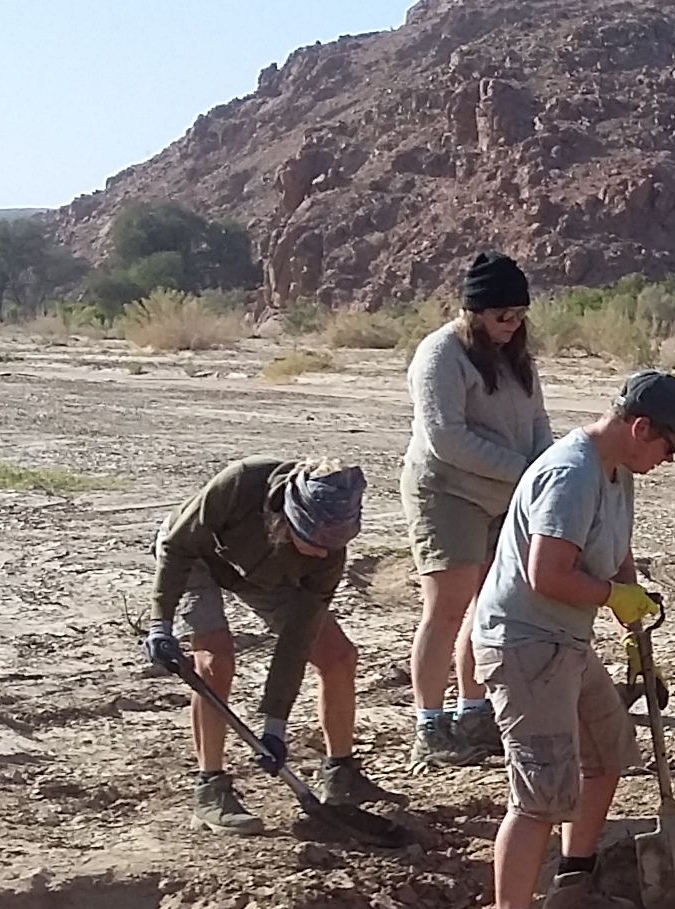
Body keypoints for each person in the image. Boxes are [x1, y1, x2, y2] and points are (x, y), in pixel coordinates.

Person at [473, 371, 675, 909]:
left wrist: (630, 603)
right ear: (640, 429)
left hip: (567, 643)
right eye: (671, 445)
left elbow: (617, 549)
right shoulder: (572, 474)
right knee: (538, 798)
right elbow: (545, 575)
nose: (671, 457)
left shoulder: (617, 471)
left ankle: (572, 887)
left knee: (607, 755)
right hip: (526, 647)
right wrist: (612, 597)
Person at [142, 458, 390, 834]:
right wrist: (161, 623)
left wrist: (275, 724)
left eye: (332, 546)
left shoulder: (326, 555)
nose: (323, 554)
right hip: (198, 558)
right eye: (315, 542)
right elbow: (178, 546)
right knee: (215, 662)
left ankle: (341, 774)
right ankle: (210, 790)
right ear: (290, 515)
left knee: (338, 656)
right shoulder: (240, 483)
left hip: (270, 574)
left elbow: (296, 640)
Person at [403, 250, 556, 768]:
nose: (512, 326)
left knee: (489, 606)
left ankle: (474, 712)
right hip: (447, 493)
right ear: (474, 311)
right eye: (501, 316)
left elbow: (538, 421)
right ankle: (429, 724)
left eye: (519, 316)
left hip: (505, 496)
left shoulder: (517, 358)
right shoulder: (440, 354)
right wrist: (524, 470)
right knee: (447, 607)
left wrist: (544, 470)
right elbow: (446, 438)